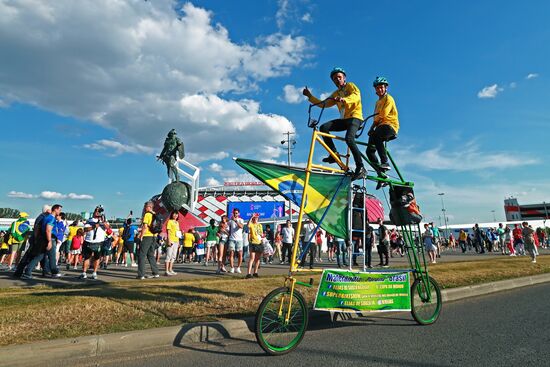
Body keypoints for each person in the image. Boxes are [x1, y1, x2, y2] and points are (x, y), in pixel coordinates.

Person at [302, 67, 366, 180]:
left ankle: (361, 167)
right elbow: (324, 104)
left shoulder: (350, 86)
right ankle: (334, 154)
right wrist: (310, 96)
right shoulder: (336, 93)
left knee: (349, 139)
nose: (337, 80)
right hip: (344, 120)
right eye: (335, 78)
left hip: (355, 118)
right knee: (324, 127)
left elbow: (356, 96)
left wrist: (344, 100)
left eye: (339, 77)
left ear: (344, 78)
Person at [366, 77, 399, 174]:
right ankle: (381, 173)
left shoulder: (389, 98)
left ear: (386, 88)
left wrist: (374, 127)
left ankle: (385, 162)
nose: (379, 89)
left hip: (390, 126)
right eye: (377, 88)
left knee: (376, 136)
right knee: (369, 151)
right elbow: (376, 118)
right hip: (380, 127)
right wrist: (371, 128)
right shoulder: (377, 102)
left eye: (381, 87)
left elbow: (383, 114)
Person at [137, 201, 160, 279]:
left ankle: (141, 274)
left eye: (145, 207)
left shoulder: (147, 215)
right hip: (153, 236)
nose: (144, 208)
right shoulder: (154, 214)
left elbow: (145, 227)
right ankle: (156, 272)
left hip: (147, 236)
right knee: (151, 255)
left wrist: (141, 236)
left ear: (149, 207)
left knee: (142, 255)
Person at [245, 214, 263, 278]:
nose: (256, 219)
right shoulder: (251, 224)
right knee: (252, 258)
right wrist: (251, 217)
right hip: (253, 242)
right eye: (254, 218)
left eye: (257, 218)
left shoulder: (260, 225)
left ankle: (255, 272)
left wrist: (262, 237)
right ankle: (248, 273)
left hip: (259, 242)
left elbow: (261, 233)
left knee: (258, 259)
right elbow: (248, 225)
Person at [227, 208, 244, 273]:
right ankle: (232, 268)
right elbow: (227, 227)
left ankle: (238, 267)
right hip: (232, 239)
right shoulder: (230, 221)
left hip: (239, 239)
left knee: (240, 254)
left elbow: (241, 226)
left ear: (238, 214)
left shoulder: (241, 220)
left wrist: (236, 221)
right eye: (234, 213)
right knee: (231, 253)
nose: (235, 214)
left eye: (236, 213)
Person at [165, 210, 180, 276]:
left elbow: (178, 233)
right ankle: (166, 270)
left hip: (176, 240)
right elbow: (168, 232)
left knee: (173, 256)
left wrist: (178, 241)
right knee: (169, 255)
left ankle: (170, 269)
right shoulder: (170, 221)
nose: (175, 215)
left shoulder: (177, 222)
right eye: (174, 214)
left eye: (176, 214)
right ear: (172, 215)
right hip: (171, 240)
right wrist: (169, 240)